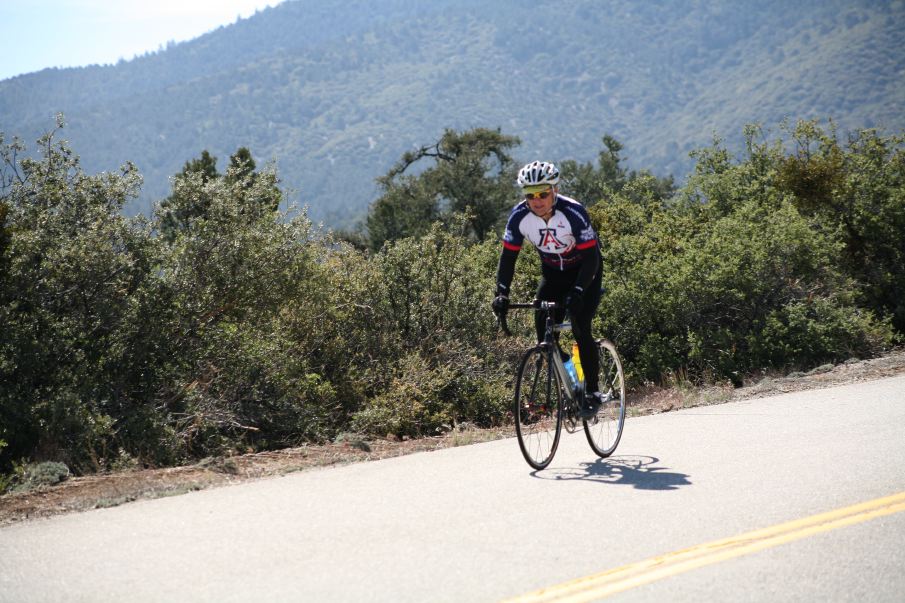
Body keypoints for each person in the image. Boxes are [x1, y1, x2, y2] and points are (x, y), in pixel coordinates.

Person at [492, 160, 605, 418]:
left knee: (580, 325)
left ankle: (593, 392)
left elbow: (591, 259)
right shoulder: (520, 217)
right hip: (553, 274)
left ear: (555, 189)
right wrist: (502, 293)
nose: (537, 200)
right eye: (530, 195)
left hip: (585, 271)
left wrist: (578, 290)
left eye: (543, 193)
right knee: (545, 336)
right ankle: (572, 379)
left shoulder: (573, 212)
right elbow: (508, 258)